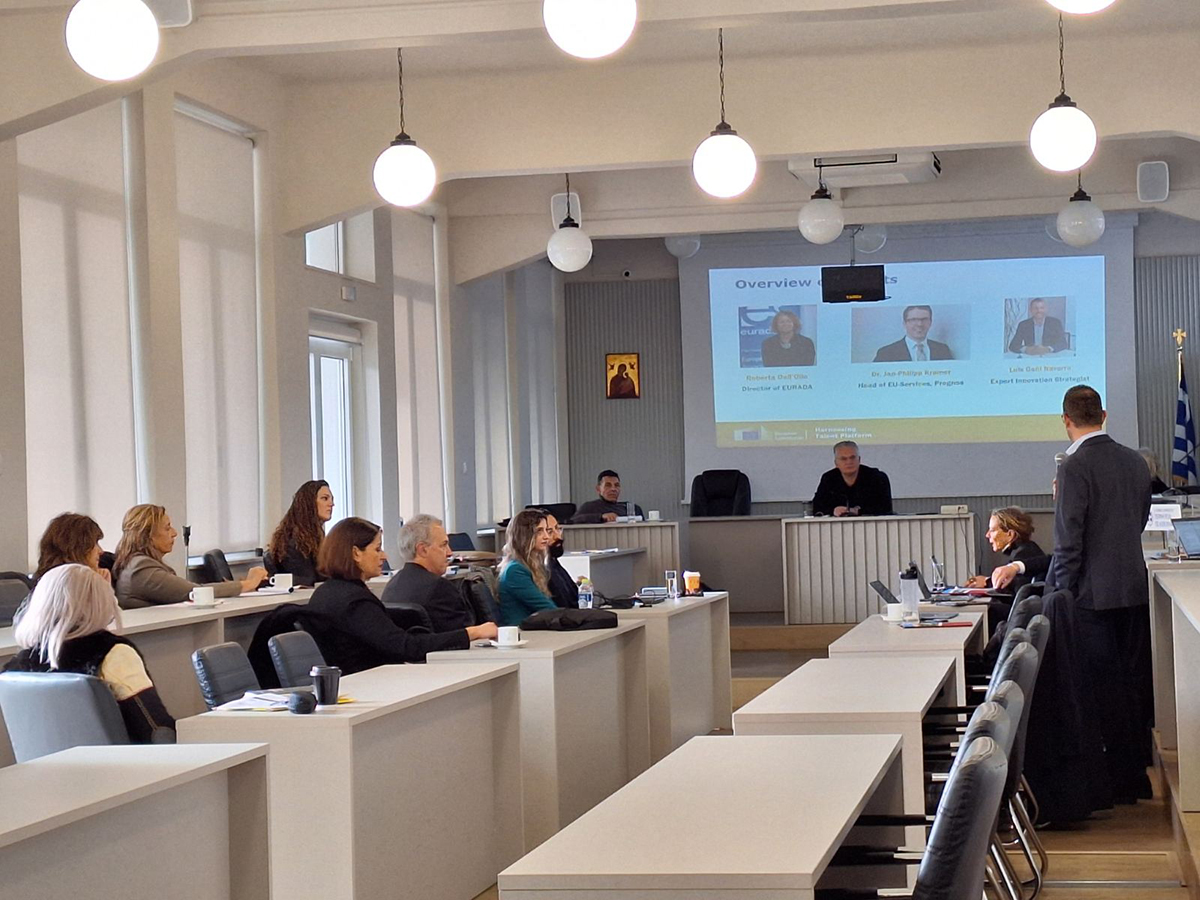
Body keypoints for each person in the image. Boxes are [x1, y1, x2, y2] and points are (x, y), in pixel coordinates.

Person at [1049, 384, 1154, 802]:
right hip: (1132, 586)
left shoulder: (1073, 465)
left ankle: (1113, 784)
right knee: (1131, 685)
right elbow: (1140, 519)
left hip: (1090, 594)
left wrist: (1060, 593)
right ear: (1104, 415)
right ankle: (1135, 777)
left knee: (1100, 689)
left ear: (1066, 420)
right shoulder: (1134, 460)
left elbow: (1068, 539)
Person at [4, 564, 175, 742]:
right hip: (118, 759)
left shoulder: (16, 670)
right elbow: (156, 731)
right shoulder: (113, 654)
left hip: (47, 760)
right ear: (102, 602)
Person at [304, 517, 496, 673]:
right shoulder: (354, 601)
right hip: (371, 684)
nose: (384, 556)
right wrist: (472, 633)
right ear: (356, 553)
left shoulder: (325, 593)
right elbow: (406, 647)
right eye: (377, 549)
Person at [112, 504, 267, 609]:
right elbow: (196, 593)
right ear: (148, 536)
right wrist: (249, 583)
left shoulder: (137, 563)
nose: (174, 533)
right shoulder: (141, 568)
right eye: (167, 528)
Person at [381, 514, 478, 631]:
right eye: (443, 545)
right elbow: (464, 636)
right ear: (423, 550)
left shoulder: (391, 587)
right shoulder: (440, 588)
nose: (449, 553)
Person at [964, 507, 1045, 632]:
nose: (987, 535)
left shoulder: (1023, 554)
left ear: (1010, 534)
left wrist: (986, 583)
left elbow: (1015, 594)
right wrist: (987, 581)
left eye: (992, 530)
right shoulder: (1026, 549)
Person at [265, 479, 334, 586]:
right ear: (309, 503)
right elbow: (308, 580)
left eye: (331, 499)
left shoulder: (315, 536)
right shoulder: (294, 541)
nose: (331, 504)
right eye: (325, 498)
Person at [498, 509, 558, 626]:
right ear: (524, 535)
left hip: (535, 627)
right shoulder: (515, 571)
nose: (546, 537)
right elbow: (547, 608)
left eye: (546, 530)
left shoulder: (532, 565)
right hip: (522, 631)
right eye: (539, 531)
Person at [811, 441, 893, 517]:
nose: (849, 462)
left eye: (852, 457)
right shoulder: (828, 478)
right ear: (836, 463)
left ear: (859, 459)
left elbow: (885, 508)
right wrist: (833, 511)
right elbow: (817, 507)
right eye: (843, 459)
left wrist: (858, 511)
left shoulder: (877, 477)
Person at [33, 512, 108, 583]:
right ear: (78, 547)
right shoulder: (72, 583)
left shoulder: (47, 581)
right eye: (95, 543)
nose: (101, 551)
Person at [873, 305, 953, 362]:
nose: (919, 324)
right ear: (904, 324)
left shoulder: (943, 350)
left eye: (924, 319)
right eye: (913, 320)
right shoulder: (886, 353)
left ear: (930, 322)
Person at [570, 470, 645, 523]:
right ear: (598, 489)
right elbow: (572, 521)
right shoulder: (590, 507)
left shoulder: (632, 508)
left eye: (617, 485)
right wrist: (601, 517)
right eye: (608, 485)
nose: (613, 489)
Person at [543, 512, 579, 609]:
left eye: (558, 528)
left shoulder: (553, 562)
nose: (558, 536)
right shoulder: (542, 568)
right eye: (550, 532)